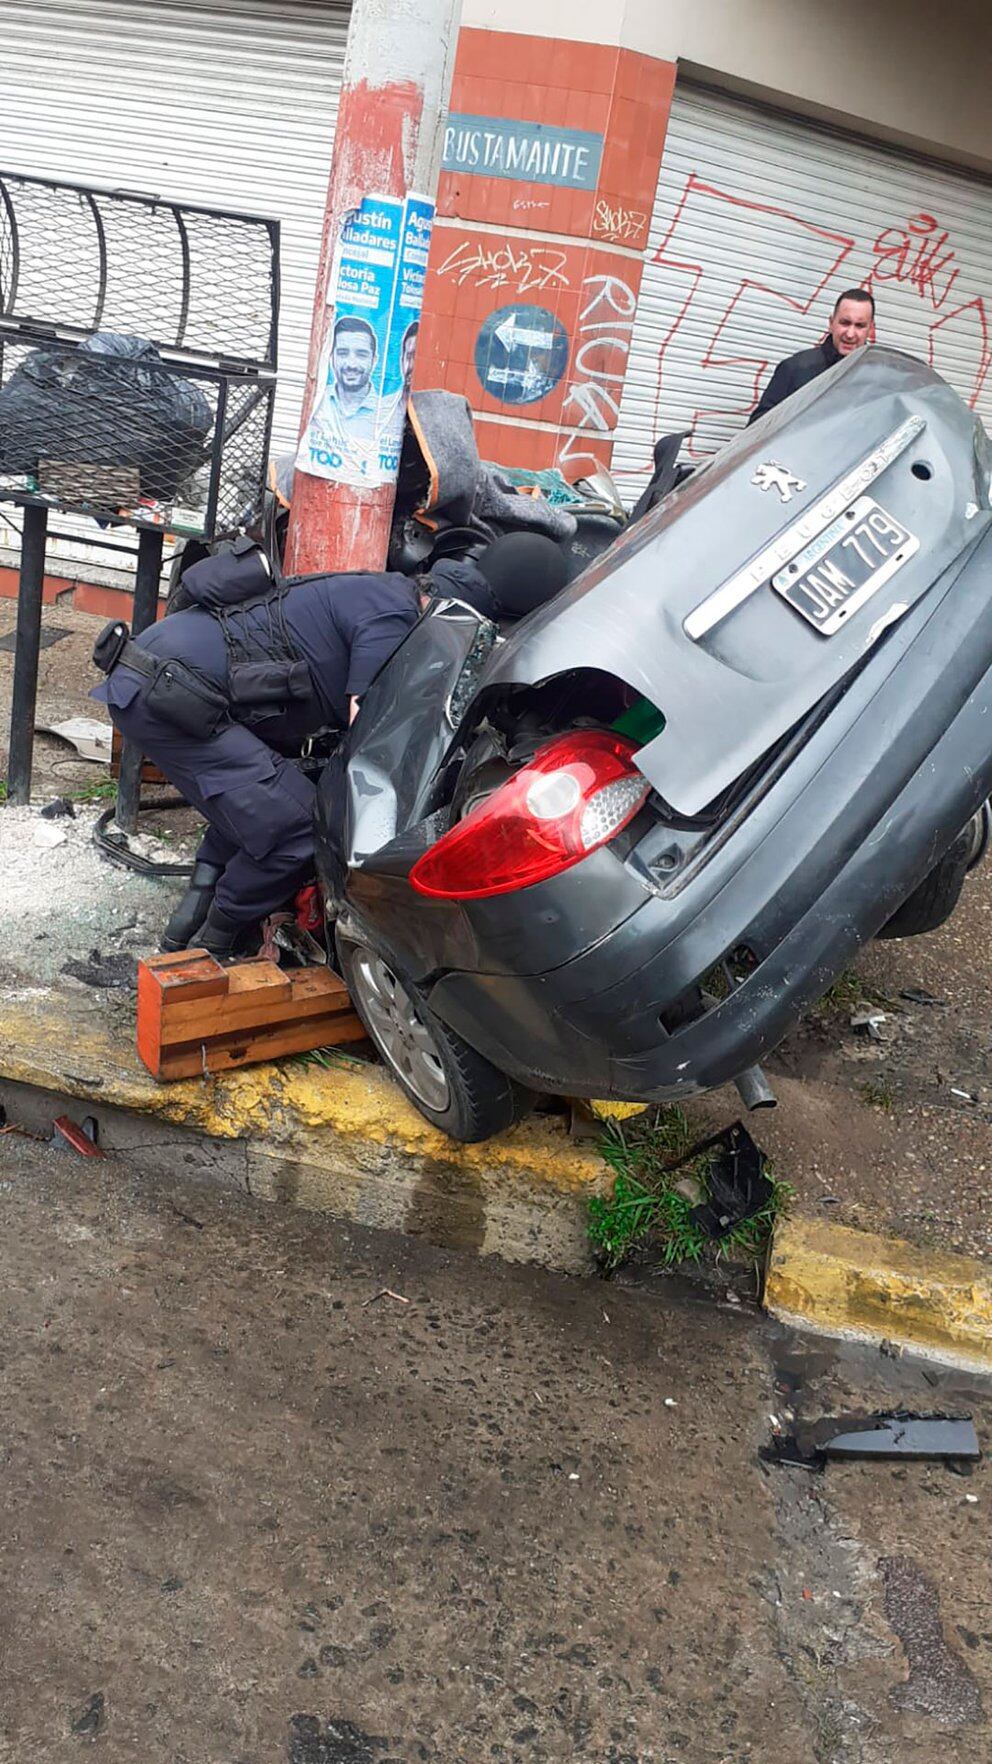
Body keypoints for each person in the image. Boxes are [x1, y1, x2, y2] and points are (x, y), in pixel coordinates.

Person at [91, 534, 567, 957]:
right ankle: (212, 945)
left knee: (260, 801)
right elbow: (370, 737)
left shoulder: (379, 588)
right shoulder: (395, 621)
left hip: (153, 677)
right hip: (169, 694)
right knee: (297, 828)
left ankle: (190, 920)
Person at [748, 288, 875, 425]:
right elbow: (757, 429)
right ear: (831, 323)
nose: (850, 334)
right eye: (845, 323)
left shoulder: (880, 379)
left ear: (870, 329)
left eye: (860, 326)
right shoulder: (794, 369)